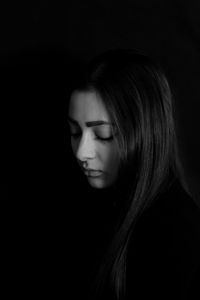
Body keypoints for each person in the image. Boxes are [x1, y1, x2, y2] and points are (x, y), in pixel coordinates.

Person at [66, 49, 200, 299]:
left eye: (102, 135)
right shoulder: (98, 205)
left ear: (143, 130)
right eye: (74, 132)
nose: (82, 152)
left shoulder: (176, 235)